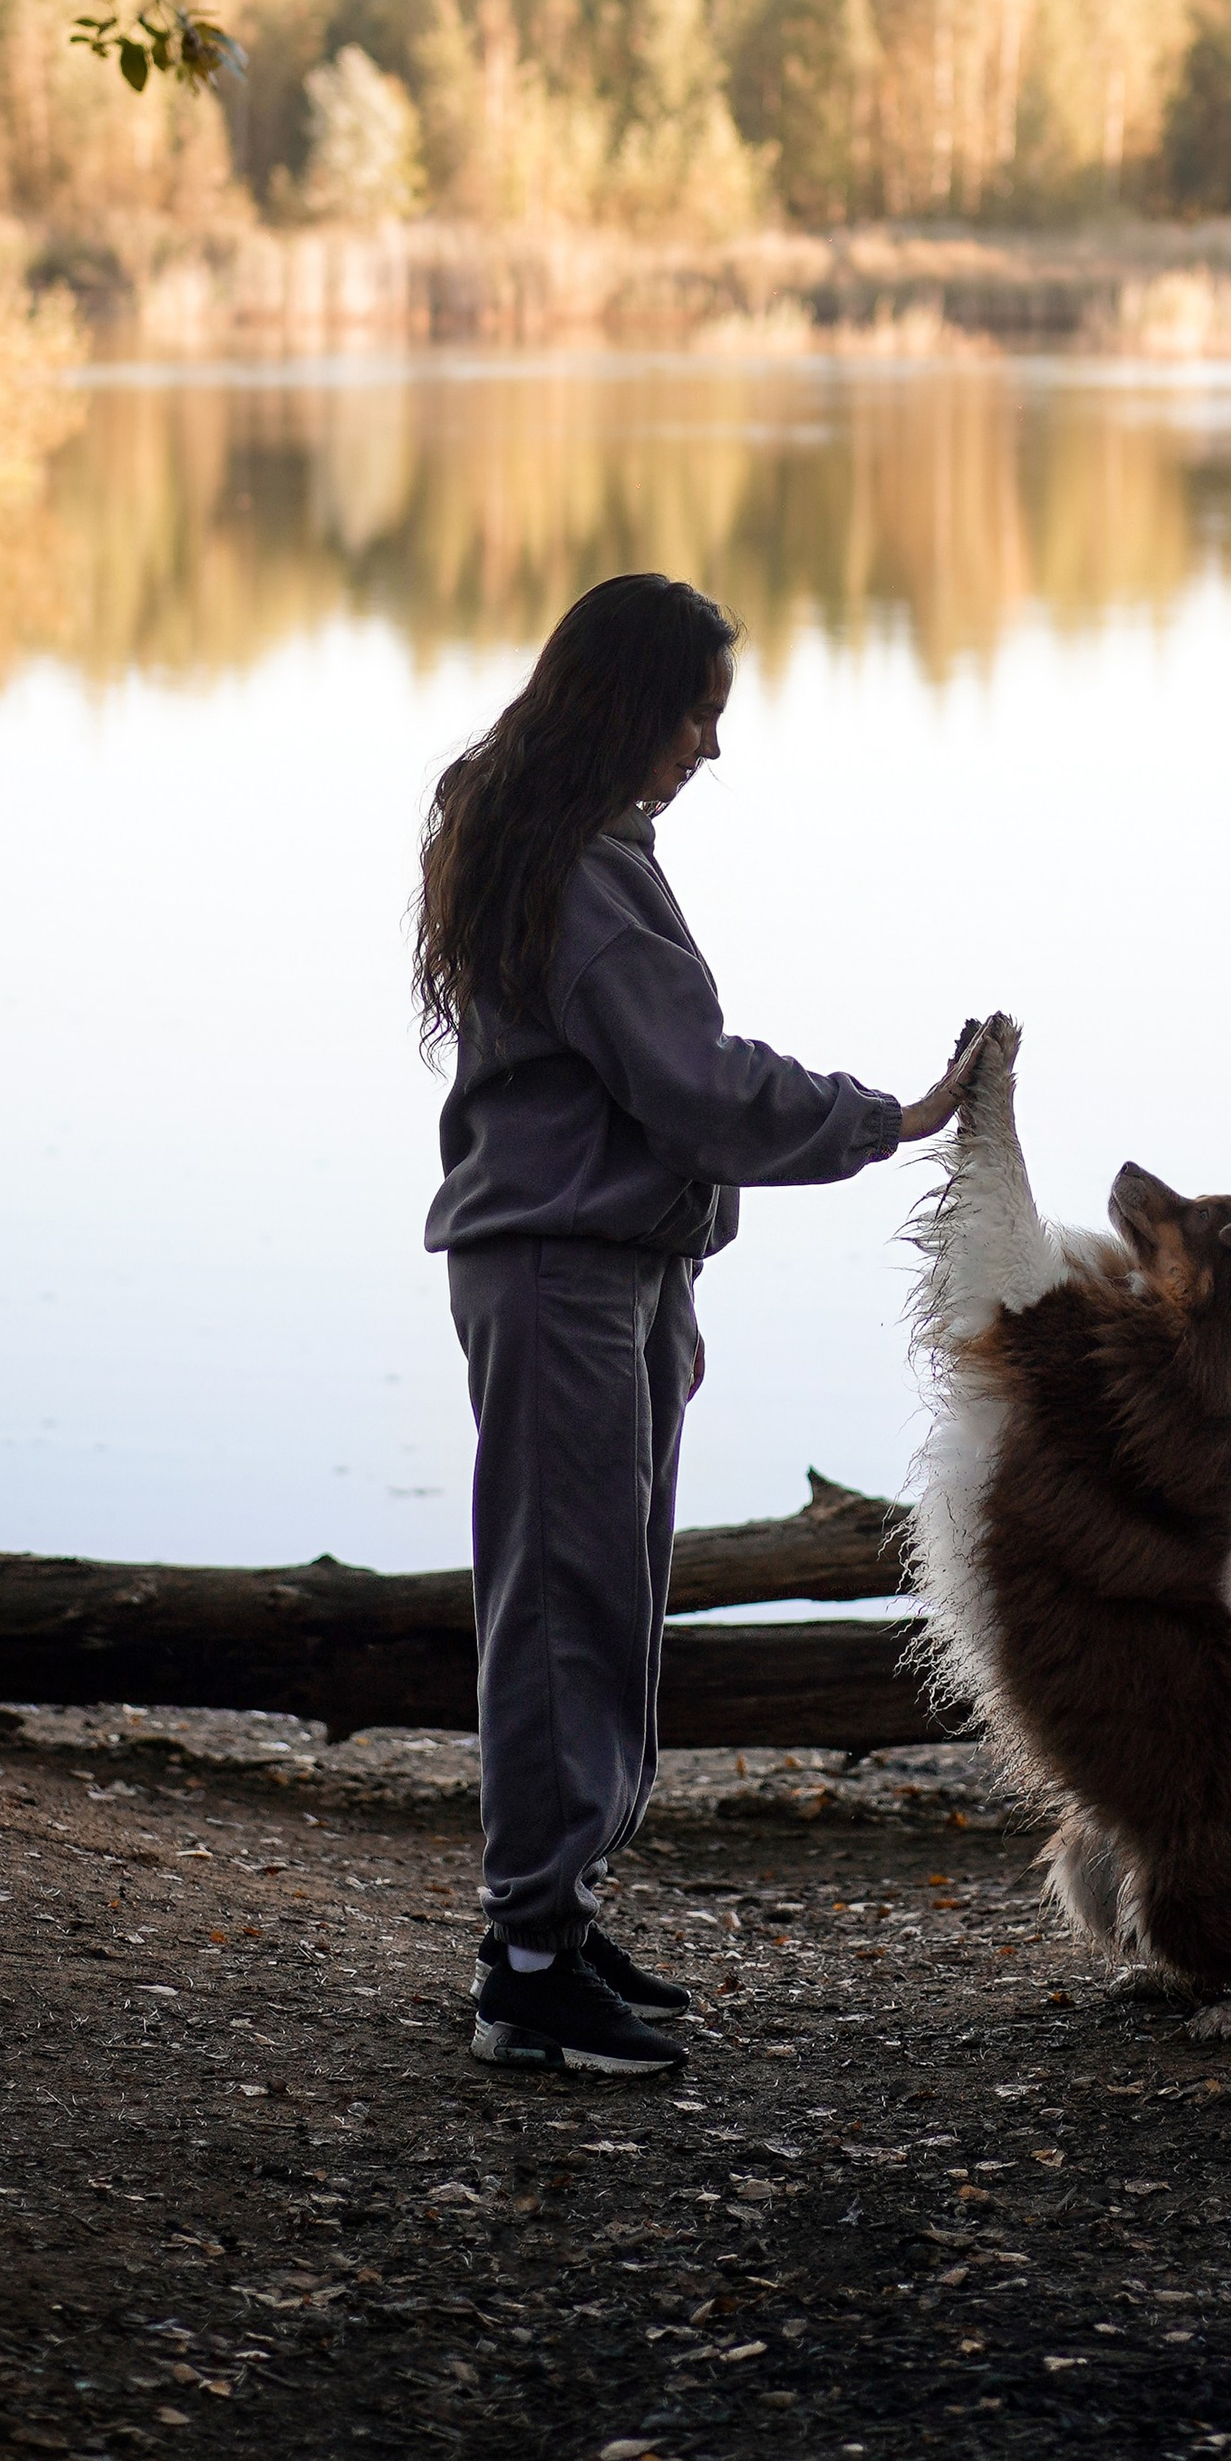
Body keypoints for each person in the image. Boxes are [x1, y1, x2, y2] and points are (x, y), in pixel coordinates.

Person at [414, 569, 982, 2076]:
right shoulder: (577, 871)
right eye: (700, 714)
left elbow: (663, 1089)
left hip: (608, 1274)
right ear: (632, 704)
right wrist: (894, 1116)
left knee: (601, 1604)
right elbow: (694, 1084)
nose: (713, 749)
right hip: (562, 1279)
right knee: (563, 1616)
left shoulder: (562, 841)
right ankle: (528, 1971)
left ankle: (556, 1918)